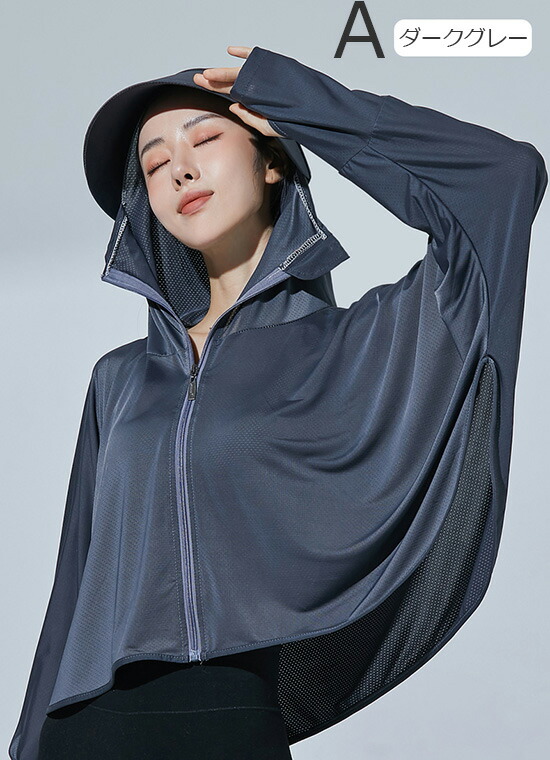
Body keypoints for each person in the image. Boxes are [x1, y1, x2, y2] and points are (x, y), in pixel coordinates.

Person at [9, 45, 547, 760]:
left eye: (205, 139)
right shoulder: (120, 380)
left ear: (271, 161)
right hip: (84, 732)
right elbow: (75, 591)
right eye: (154, 164)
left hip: (229, 722)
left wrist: (305, 103)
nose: (180, 170)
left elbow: (502, 180)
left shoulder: (358, 344)